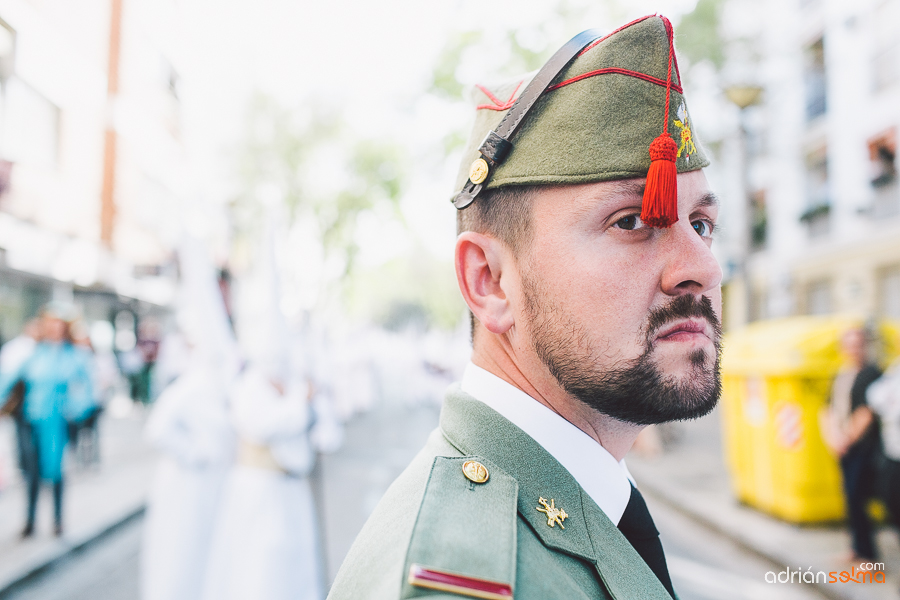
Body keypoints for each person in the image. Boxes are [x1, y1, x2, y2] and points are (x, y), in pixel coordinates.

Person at [328, 16, 721, 600]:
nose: (703, 267)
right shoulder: (467, 582)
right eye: (632, 221)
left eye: (702, 223)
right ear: (489, 281)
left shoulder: (580, 498)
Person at [0, 305, 94, 537]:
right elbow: (9, 380)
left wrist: (75, 409)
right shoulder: (34, 353)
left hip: (59, 423)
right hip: (32, 420)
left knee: (57, 471)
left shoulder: (75, 355)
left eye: (58, 324)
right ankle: (30, 521)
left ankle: (58, 521)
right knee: (31, 472)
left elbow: (89, 389)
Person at [821, 327, 882, 565]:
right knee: (849, 497)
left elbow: (866, 412)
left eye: (857, 343)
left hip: (863, 447)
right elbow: (829, 406)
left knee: (859, 496)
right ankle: (856, 548)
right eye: (849, 343)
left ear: (864, 346)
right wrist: (833, 436)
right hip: (843, 445)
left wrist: (846, 439)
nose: (853, 348)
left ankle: (869, 555)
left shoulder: (872, 373)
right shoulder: (843, 373)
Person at [0, 319, 41, 477]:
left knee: (24, 437)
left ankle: (27, 467)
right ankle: (28, 467)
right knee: (24, 439)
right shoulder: (25, 348)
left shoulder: (37, 347)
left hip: (26, 402)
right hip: (22, 401)